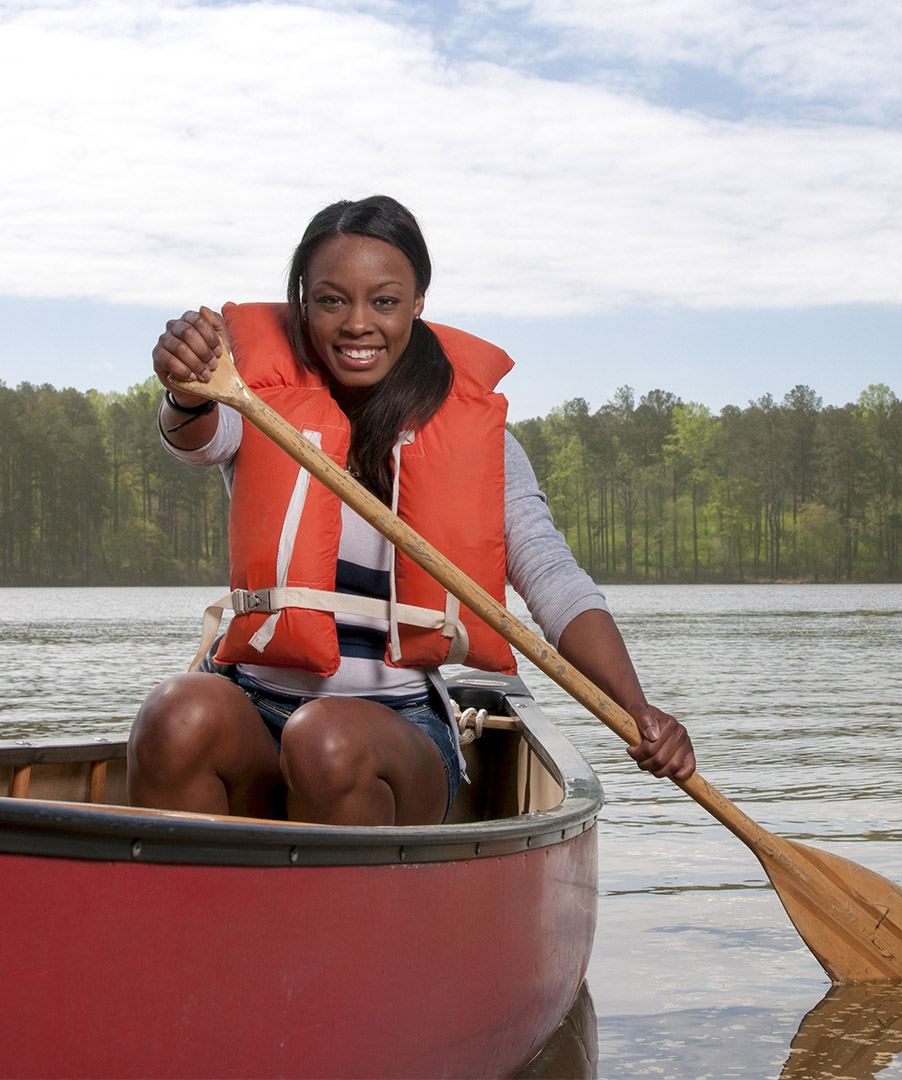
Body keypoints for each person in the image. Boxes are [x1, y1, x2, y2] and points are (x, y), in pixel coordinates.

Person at [130, 194, 695, 827]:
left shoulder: (481, 446)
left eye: (385, 301)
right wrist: (184, 389)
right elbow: (195, 435)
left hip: (391, 733)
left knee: (326, 740)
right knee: (174, 714)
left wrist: (639, 708)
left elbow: (553, 578)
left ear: (418, 303)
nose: (357, 324)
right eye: (331, 299)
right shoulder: (251, 401)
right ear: (302, 301)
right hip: (253, 707)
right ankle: (196, 918)